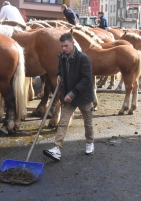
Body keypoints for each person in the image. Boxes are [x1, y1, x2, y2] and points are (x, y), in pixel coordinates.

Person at [43, 33, 95, 161]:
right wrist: (59, 74)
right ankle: (57, 149)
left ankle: (89, 142)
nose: (64, 49)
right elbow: (60, 69)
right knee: (63, 123)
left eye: (66, 46)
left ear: (73, 43)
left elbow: (86, 79)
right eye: (62, 46)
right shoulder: (62, 57)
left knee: (87, 123)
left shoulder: (83, 59)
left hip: (83, 96)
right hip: (68, 96)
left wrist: (73, 93)